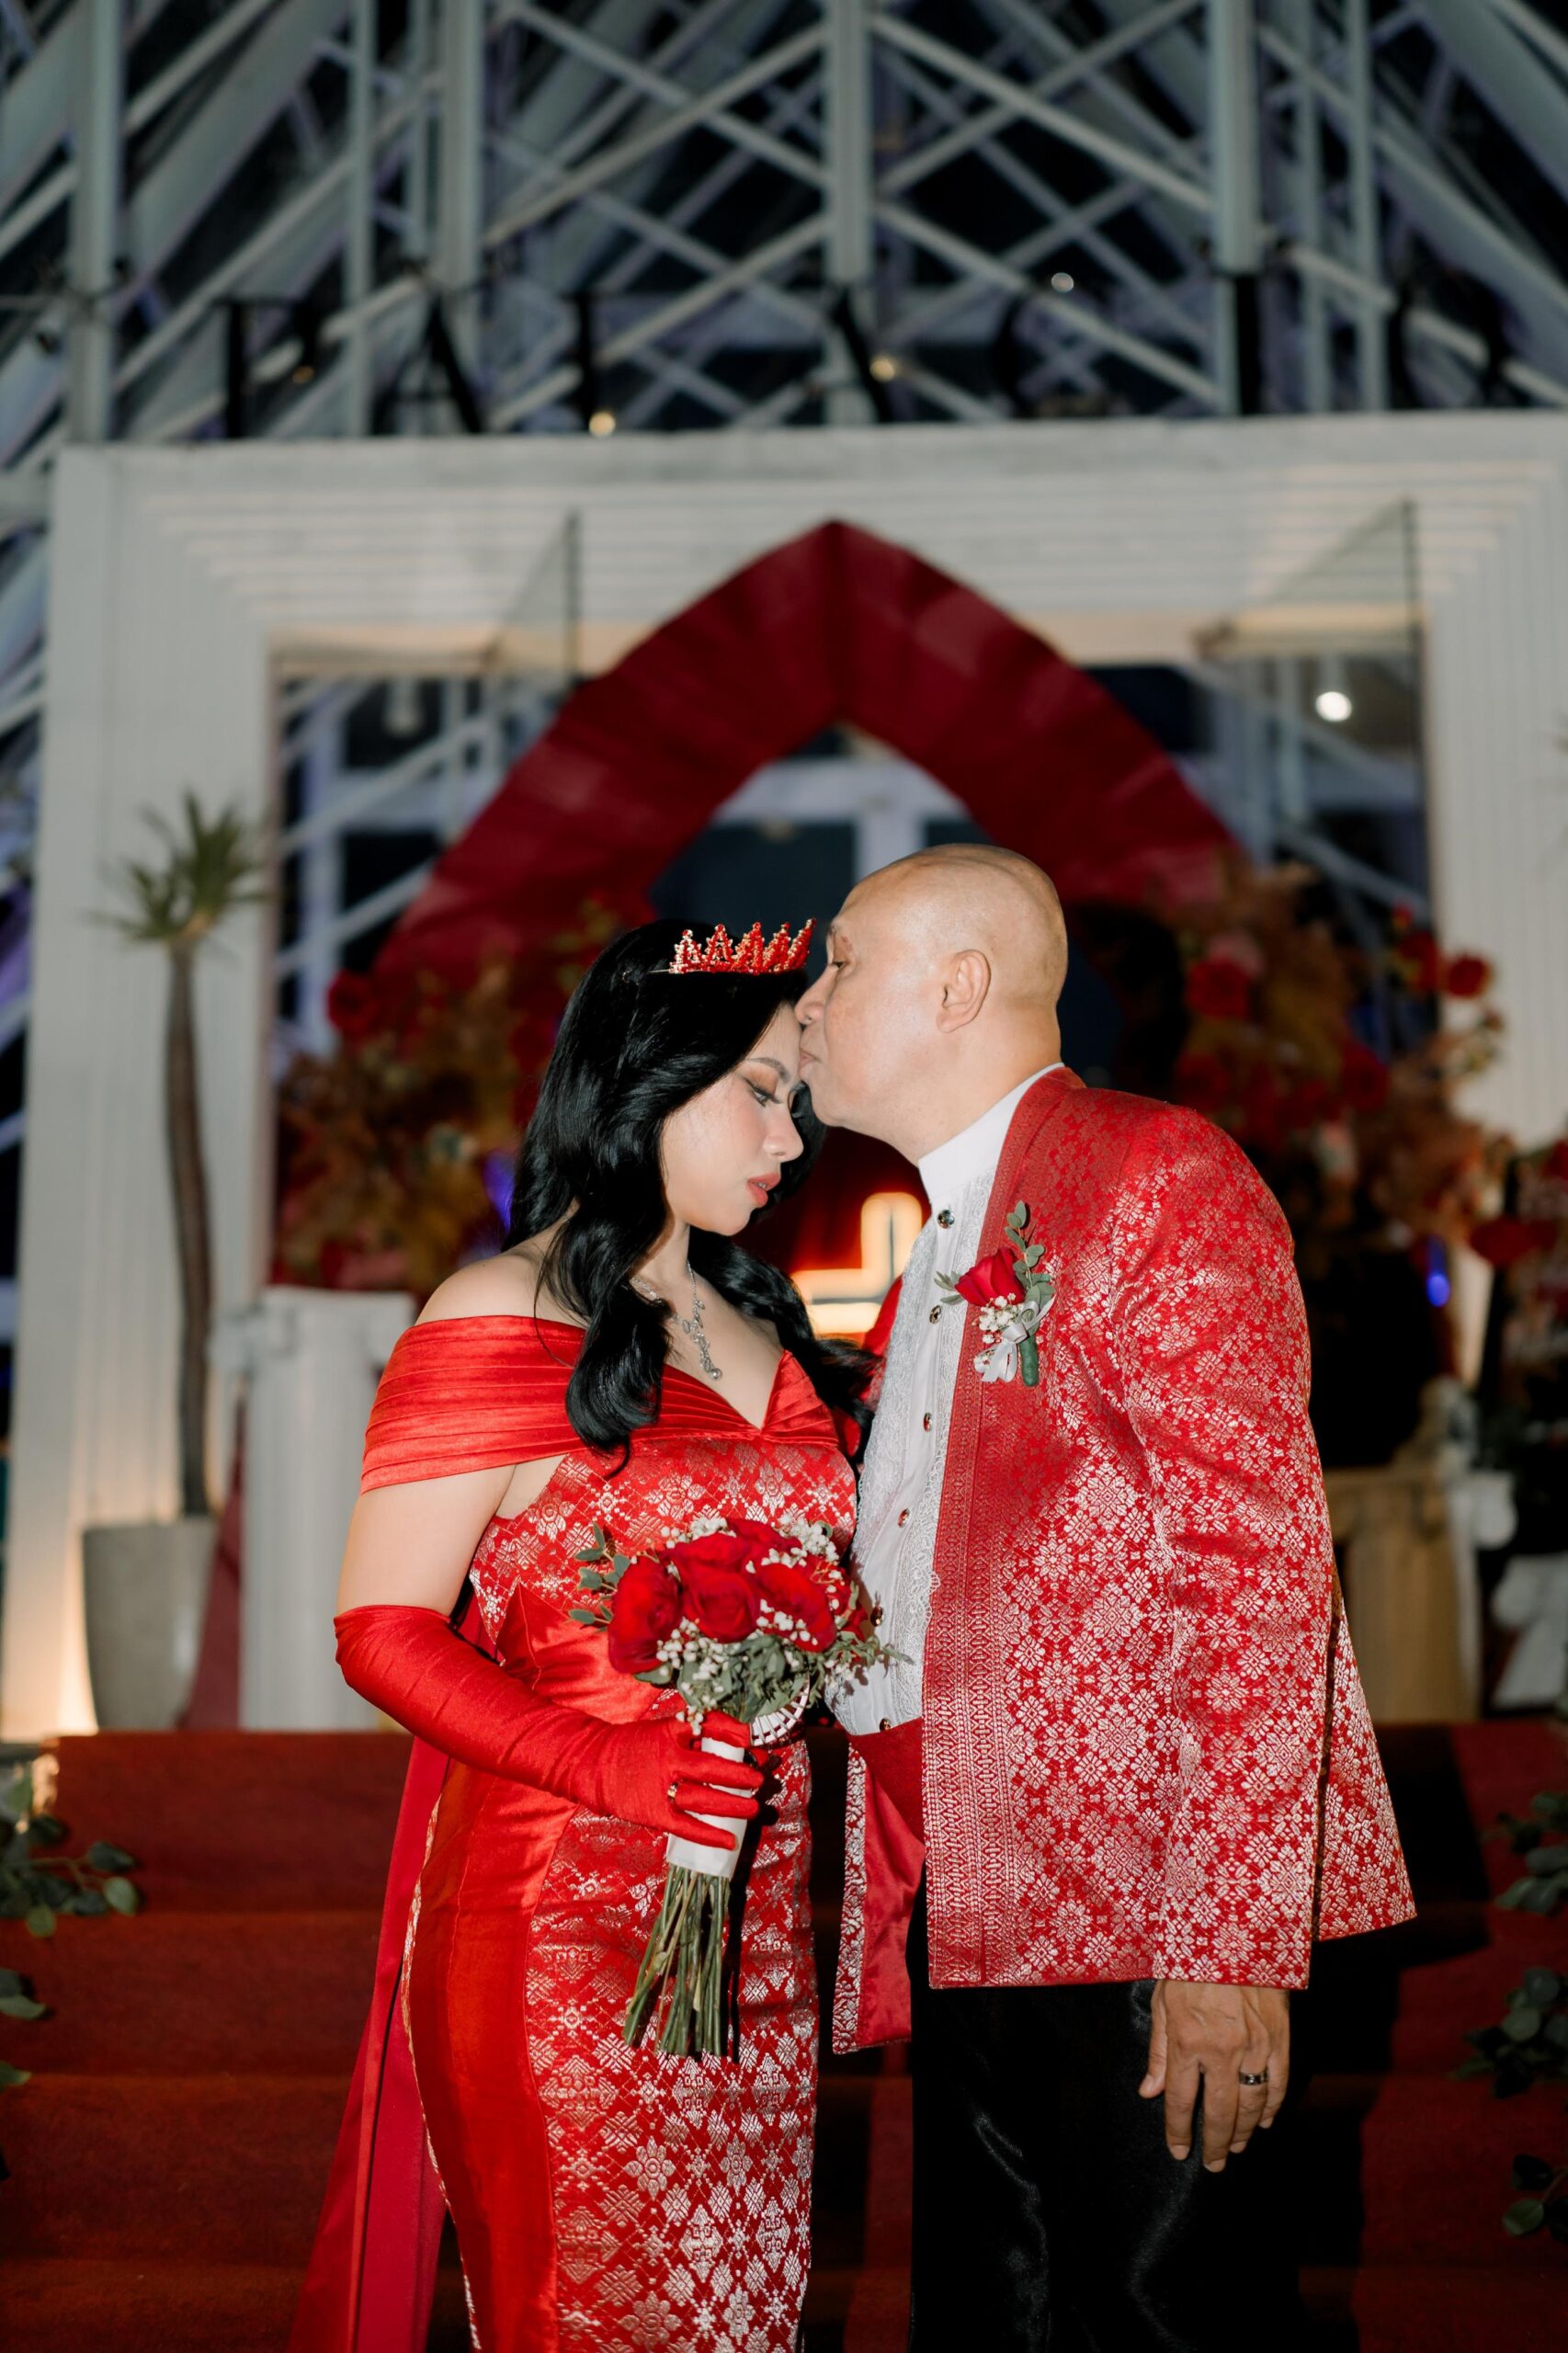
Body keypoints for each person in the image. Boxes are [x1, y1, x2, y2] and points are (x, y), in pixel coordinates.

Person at [798, 846, 1415, 2353]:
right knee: (988, 2317)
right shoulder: (933, 1236)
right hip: (963, 1878)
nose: (807, 1007)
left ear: (958, 986)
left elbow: (1258, 1571)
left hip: (1138, 1891)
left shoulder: (1156, 1172)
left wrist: (1227, 1942)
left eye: (841, 966)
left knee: (1159, 2322)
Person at [290, 916, 871, 2353]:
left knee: (744, 2321)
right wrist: (611, 1768)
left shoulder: (766, 1323)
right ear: (643, 1080)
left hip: (753, 1929)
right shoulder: (499, 1311)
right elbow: (380, 1632)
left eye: (797, 1101)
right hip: (555, 1918)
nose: (789, 1140)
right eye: (759, 1091)